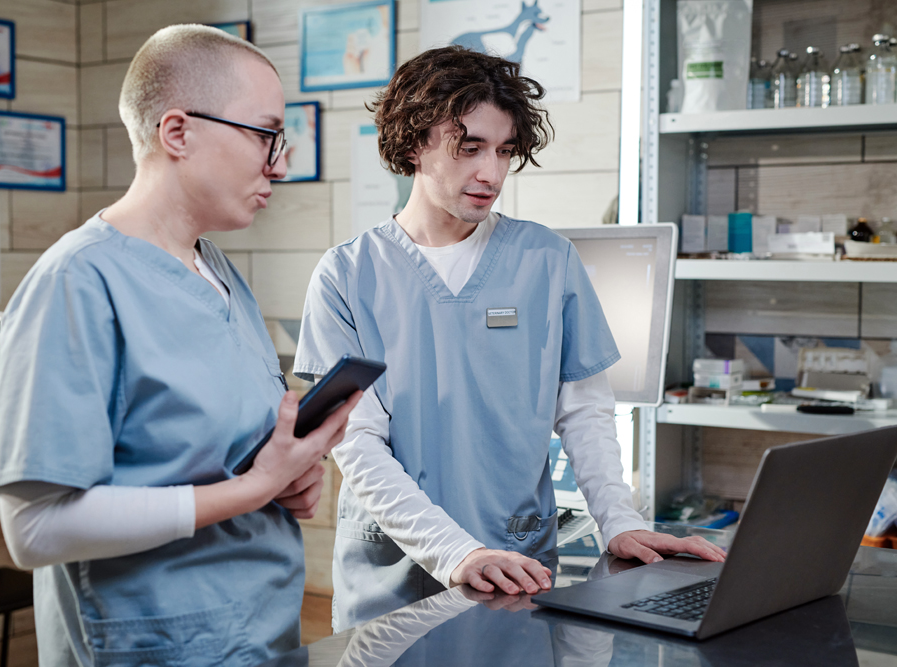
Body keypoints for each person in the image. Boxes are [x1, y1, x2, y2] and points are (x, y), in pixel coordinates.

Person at [293, 46, 725, 631]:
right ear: (414, 142)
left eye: (504, 151)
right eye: (469, 148)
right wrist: (456, 552)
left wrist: (618, 521)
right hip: (388, 576)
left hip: (516, 567)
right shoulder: (347, 274)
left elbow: (586, 415)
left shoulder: (548, 260)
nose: (491, 173)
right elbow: (358, 444)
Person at [0, 25, 360, 666]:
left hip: (259, 635)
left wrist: (283, 482)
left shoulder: (213, 271)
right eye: (266, 134)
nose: (281, 162)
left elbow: (215, 458)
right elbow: (35, 529)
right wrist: (250, 491)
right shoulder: (77, 281)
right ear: (177, 132)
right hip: (152, 644)